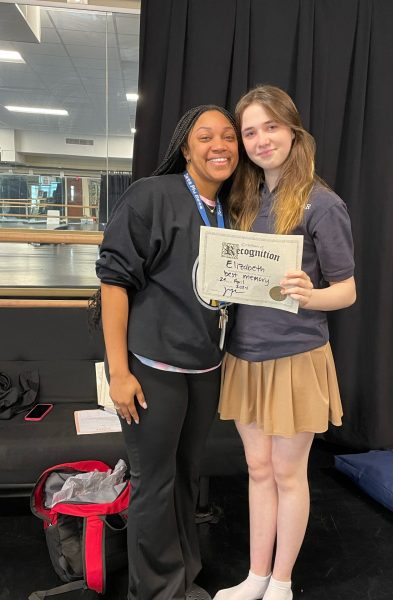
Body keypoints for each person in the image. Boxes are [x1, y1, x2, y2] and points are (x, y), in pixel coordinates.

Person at [214, 85, 356, 600]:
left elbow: (347, 289)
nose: (260, 139)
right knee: (257, 468)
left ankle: (282, 582)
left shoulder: (322, 202)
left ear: (293, 131)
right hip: (245, 355)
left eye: (270, 126)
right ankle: (255, 576)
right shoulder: (242, 199)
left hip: (296, 356)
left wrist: (311, 295)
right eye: (250, 131)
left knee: (288, 472)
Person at [95, 105, 239, 600]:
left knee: (185, 477)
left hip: (204, 368)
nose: (219, 145)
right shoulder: (151, 196)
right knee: (153, 483)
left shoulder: (231, 209)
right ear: (185, 147)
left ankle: (183, 579)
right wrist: (119, 372)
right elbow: (113, 283)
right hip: (152, 368)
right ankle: (155, 593)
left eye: (228, 137)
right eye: (205, 136)